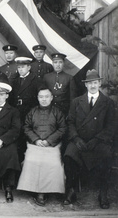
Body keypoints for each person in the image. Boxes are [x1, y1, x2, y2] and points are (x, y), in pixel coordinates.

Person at [63, 69, 116, 209]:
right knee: (69, 155)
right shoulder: (76, 102)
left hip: (98, 141)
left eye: (95, 82)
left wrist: (97, 140)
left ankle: (103, 193)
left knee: (106, 155)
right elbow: (70, 122)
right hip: (79, 140)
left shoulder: (108, 103)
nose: (92, 85)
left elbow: (111, 126)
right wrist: (75, 138)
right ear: (85, 85)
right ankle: (71, 190)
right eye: (89, 83)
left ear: (99, 83)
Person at [17, 87, 66, 206]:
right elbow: (26, 127)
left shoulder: (57, 112)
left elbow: (62, 128)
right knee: (31, 160)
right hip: (35, 144)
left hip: (52, 145)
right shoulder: (32, 111)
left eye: (46, 97)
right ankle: (36, 191)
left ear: (51, 98)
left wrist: (49, 141)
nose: (44, 99)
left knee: (53, 162)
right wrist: (36, 139)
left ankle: (47, 191)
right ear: (38, 98)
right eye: (41, 97)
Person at [9, 57, 41, 163]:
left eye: (23, 67)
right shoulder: (14, 79)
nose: (20, 69)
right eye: (19, 67)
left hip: (29, 113)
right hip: (16, 112)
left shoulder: (35, 79)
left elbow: (39, 98)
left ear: (29, 67)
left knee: (27, 137)